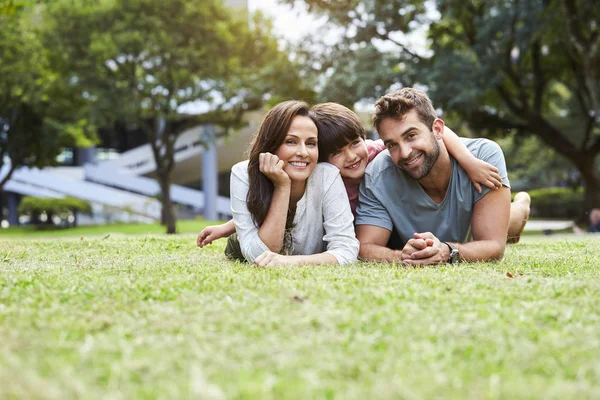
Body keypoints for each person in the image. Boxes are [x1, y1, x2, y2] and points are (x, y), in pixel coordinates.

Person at [198, 102, 504, 249]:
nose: (351, 156)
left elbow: (433, 131)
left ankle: (516, 211)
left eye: (354, 143)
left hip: (394, 220)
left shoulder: (375, 152)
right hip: (386, 227)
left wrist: (469, 161)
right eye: (337, 152)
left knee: (505, 221)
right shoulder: (322, 178)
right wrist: (230, 227)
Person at [355, 87, 531, 265]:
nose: (405, 153)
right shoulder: (377, 175)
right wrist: (401, 257)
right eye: (392, 145)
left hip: (475, 225)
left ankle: (521, 205)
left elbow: (493, 245)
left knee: (510, 223)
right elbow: (365, 247)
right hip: (450, 235)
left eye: (411, 135)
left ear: (437, 129)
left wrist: (447, 251)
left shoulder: (483, 157)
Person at [220, 100, 359, 267]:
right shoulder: (243, 174)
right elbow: (258, 256)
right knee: (236, 245)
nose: (303, 152)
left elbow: (347, 250)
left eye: (311, 143)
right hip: (244, 243)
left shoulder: (326, 176)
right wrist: (282, 187)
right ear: (271, 145)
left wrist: (289, 262)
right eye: (291, 141)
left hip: (294, 256)